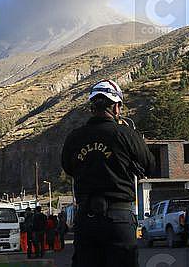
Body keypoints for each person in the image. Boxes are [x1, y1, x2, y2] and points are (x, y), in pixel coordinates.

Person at [61, 79, 155, 267]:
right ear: (117, 107)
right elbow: (150, 165)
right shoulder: (126, 134)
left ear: (92, 107)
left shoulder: (74, 137)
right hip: (119, 218)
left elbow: (68, 168)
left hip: (86, 220)